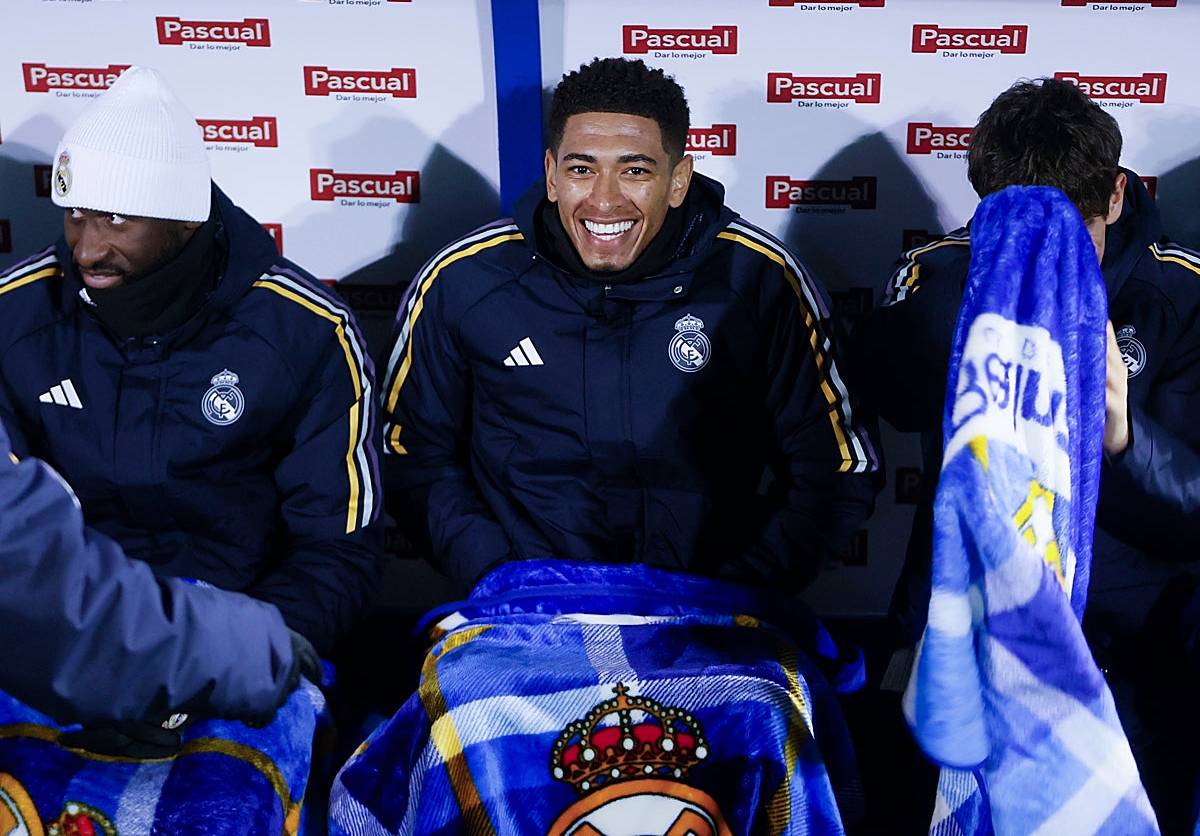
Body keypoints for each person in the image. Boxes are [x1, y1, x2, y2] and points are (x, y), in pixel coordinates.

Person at [379, 56, 881, 596]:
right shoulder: (464, 280)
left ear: (678, 180)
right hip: (523, 611)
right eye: (581, 169)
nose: (604, 200)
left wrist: (728, 592)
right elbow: (409, 452)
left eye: (635, 170)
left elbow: (838, 467)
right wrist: (503, 577)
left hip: (708, 616)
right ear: (551, 175)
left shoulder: (760, 279)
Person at [854, 77, 1200, 833]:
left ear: (1116, 196)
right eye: (1027, 229)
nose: (1054, 257)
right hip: (965, 637)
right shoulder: (939, 272)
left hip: (1127, 658)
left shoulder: (1183, 294)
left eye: (1073, 232)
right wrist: (982, 295)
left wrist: (1125, 439)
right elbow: (887, 399)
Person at [0, 67, 382, 669]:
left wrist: (259, 653)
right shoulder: (16, 314)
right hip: (66, 634)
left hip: (245, 631)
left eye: (116, 219)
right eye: (75, 214)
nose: (86, 249)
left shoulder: (304, 329)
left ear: (184, 220)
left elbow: (337, 545)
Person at [0, 416, 319, 728]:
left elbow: (330, 540)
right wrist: (255, 652)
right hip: (209, 648)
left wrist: (283, 629)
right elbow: (36, 588)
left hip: (209, 636)